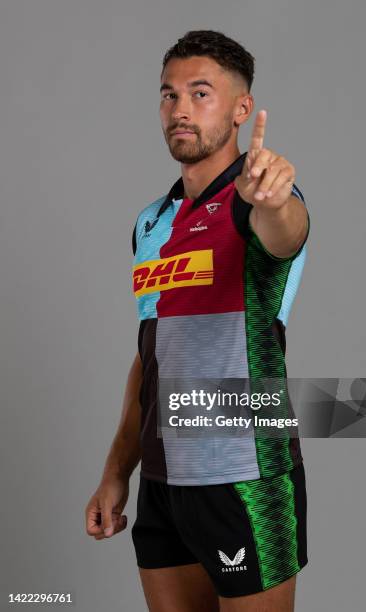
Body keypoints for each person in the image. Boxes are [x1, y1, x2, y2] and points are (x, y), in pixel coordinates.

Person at [85, 29, 310, 612]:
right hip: (161, 482)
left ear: (241, 109)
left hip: (243, 475)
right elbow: (150, 354)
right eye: (169, 94)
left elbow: (285, 235)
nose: (179, 109)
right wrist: (117, 472)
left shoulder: (259, 202)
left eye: (200, 93)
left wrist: (276, 201)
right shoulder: (151, 223)